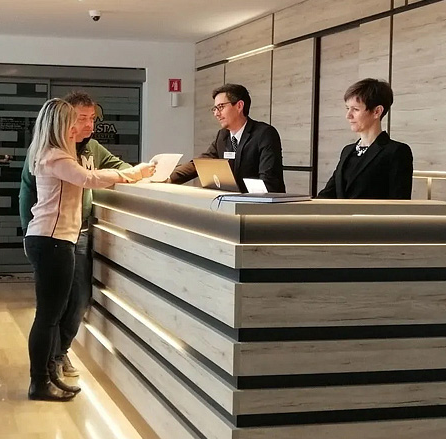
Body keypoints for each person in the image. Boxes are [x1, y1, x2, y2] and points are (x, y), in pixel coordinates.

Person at [23, 98, 154, 401]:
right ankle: (39, 383)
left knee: (52, 315)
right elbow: (88, 178)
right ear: (59, 125)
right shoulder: (54, 156)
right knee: (48, 317)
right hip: (52, 241)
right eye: (72, 121)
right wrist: (135, 173)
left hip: (52, 240)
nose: (79, 127)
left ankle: (49, 376)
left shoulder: (53, 153)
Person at [169, 83, 285, 193]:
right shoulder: (223, 136)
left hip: (262, 204)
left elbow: (268, 182)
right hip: (231, 203)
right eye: (215, 108)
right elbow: (200, 163)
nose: (216, 114)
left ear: (239, 106)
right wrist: (169, 178)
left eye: (221, 107)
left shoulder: (264, 134)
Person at [317, 78, 413, 199]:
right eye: (347, 108)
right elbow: (327, 194)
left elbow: (399, 203)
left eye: (355, 109)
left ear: (377, 111)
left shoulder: (397, 151)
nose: (348, 115)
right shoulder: (347, 151)